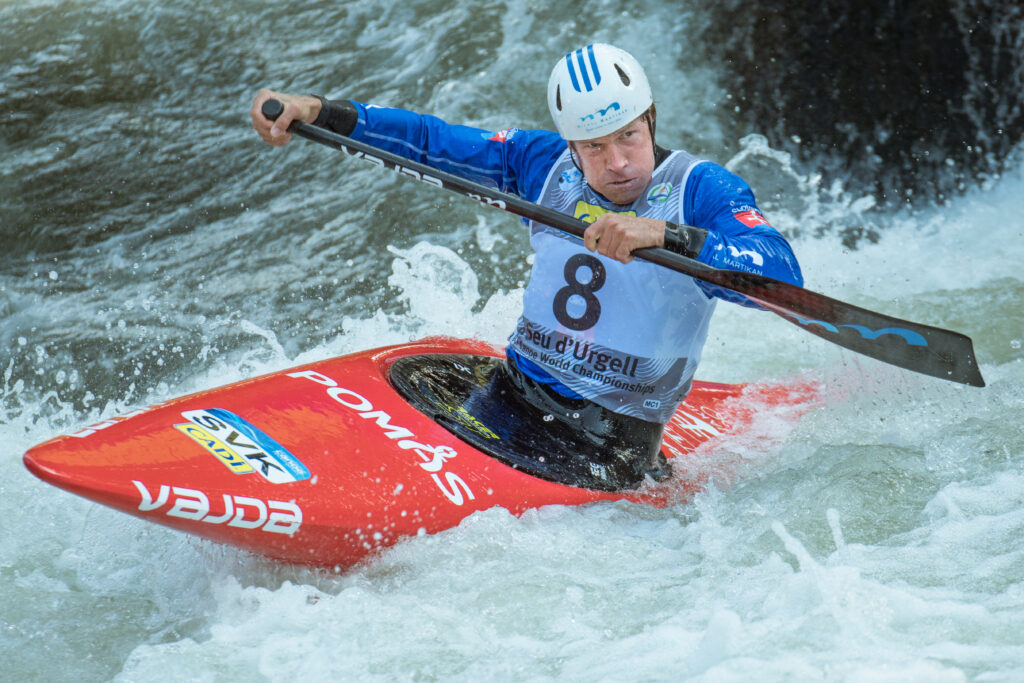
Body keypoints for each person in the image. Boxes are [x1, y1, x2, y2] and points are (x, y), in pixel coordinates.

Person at [250, 43, 803, 490]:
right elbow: (429, 141)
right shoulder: (543, 164)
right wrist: (324, 112)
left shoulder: (702, 190)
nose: (616, 163)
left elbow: (783, 277)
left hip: (607, 441)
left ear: (651, 119)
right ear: (570, 144)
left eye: (630, 137)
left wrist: (669, 235)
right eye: (593, 146)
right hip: (509, 393)